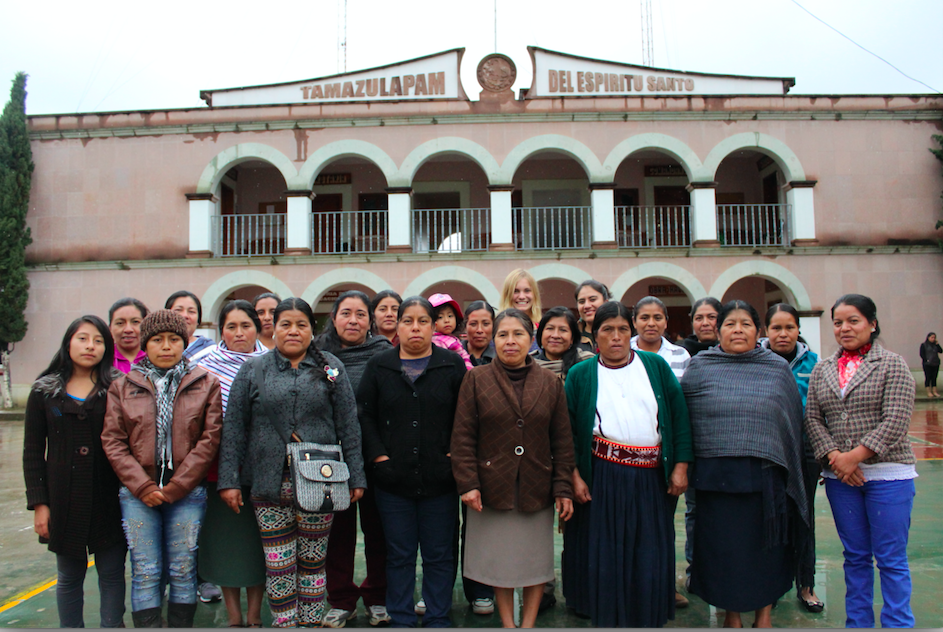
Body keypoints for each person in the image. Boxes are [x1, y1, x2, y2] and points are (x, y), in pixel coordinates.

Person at [219, 297, 367, 628]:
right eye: (285, 324)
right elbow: (234, 427)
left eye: (301, 324)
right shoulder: (254, 369)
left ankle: (311, 624)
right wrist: (229, 480)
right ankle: (285, 624)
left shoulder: (330, 367)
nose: (293, 331)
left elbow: (348, 425)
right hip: (268, 485)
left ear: (311, 330)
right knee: (279, 565)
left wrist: (356, 475)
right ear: (273, 327)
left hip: (320, 481)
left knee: (313, 563)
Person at [562, 301, 692, 627]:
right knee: (605, 549)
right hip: (602, 474)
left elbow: (678, 416)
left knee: (648, 547)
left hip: (651, 477)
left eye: (622, 329)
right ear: (594, 336)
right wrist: (574, 476)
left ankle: (647, 611)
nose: (616, 337)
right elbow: (565, 432)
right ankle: (608, 613)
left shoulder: (655, 367)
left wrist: (680, 466)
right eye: (608, 330)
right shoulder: (580, 375)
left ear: (631, 332)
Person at [681, 300, 810, 628]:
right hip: (715, 482)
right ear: (718, 330)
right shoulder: (700, 367)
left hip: (766, 481)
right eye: (730, 324)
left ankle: (763, 616)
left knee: (766, 550)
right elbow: (685, 422)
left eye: (746, 324)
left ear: (758, 331)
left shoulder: (776, 369)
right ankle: (732, 617)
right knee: (723, 553)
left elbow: (792, 424)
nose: (737, 330)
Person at [451, 308, 575, 628]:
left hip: (536, 484)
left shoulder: (549, 383)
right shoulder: (476, 379)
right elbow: (463, 436)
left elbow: (562, 440)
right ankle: (508, 624)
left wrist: (563, 488)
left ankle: (529, 623)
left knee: (535, 562)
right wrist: (468, 483)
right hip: (492, 486)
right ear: (494, 340)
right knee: (500, 564)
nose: (510, 341)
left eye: (517, 334)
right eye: (503, 335)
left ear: (530, 340)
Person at [101, 309, 223, 628]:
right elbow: (113, 440)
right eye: (157, 340)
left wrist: (178, 486)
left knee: (183, 568)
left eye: (173, 339)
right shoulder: (124, 386)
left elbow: (209, 439)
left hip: (186, 492)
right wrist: (142, 486)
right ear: (146, 345)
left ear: (184, 342)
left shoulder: (204, 382)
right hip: (137, 493)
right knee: (146, 569)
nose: (166, 346)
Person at [805, 294, 917, 628]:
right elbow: (812, 418)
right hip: (842, 480)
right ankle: (858, 623)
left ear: (872, 324)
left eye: (853, 320)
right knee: (855, 557)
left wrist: (854, 458)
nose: (844, 328)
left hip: (888, 476)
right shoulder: (823, 368)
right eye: (838, 322)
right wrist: (837, 459)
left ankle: (898, 623)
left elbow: (896, 419)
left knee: (891, 559)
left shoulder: (892, 364)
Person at [357, 296, 467, 628]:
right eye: (408, 320)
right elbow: (365, 416)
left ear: (434, 327)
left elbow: (466, 416)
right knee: (400, 555)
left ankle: (437, 616)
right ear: (396, 326)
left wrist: (454, 454)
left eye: (423, 321)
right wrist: (379, 456)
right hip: (392, 481)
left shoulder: (451, 364)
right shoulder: (380, 366)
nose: (415, 327)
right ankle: (401, 617)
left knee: (439, 556)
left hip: (440, 479)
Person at [23, 316, 127, 628]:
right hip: (63, 499)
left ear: (106, 348)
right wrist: (40, 505)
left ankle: (112, 625)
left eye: (98, 340)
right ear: (68, 342)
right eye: (82, 338)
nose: (90, 346)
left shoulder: (117, 388)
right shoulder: (44, 391)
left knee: (111, 573)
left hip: (109, 497)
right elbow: (32, 452)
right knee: (69, 576)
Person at [313, 291, 393, 628]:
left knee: (379, 532)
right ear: (334, 318)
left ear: (370, 320)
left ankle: (377, 596)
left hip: (376, 457)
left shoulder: (386, 354)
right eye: (346, 313)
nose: (354, 320)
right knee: (338, 535)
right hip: (331, 459)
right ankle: (341, 599)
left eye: (361, 314)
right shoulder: (318, 355)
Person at [196, 301, 268, 628]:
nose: (239, 333)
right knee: (226, 544)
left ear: (257, 327)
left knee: (259, 545)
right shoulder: (202, 367)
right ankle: (234, 616)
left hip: (263, 471)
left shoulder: (273, 363)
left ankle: (254, 615)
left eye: (246, 326)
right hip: (217, 472)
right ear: (220, 330)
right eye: (231, 327)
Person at [759, 302, 823, 613]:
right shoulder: (755, 360)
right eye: (776, 328)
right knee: (770, 519)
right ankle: (770, 586)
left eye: (789, 327)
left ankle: (806, 584)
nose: (783, 334)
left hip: (805, 452)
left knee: (803, 518)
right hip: (767, 452)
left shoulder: (815, 364)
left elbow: (822, 410)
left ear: (798, 330)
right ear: (766, 331)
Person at [677, 295, 722, 592]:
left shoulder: (733, 351)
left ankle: (722, 568)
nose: (705, 323)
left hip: (723, 447)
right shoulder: (685, 355)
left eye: (711, 317)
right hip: (695, 445)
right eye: (699, 318)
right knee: (694, 510)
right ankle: (695, 569)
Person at [630, 296, 691, 381]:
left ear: (666, 322)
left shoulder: (680, 355)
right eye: (644, 318)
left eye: (657, 318)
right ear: (634, 322)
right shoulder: (624, 351)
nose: (651, 323)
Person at [535, 306, 594, 380]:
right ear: (541, 334)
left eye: (563, 330)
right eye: (550, 328)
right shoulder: (528, 365)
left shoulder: (588, 363)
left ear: (572, 338)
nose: (555, 335)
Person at [499, 268, 542, 353]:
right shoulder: (497, 330)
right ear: (507, 295)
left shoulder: (543, 331)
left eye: (527, 291)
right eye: (516, 291)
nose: (522, 296)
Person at [429, 292, 474, 370]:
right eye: (440, 317)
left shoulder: (452, 339)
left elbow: (465, 357)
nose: (447, 320)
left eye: (450, 316)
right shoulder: (436, 342)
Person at [108, 297, 148, 373]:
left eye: (135, 322)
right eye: (120, 323)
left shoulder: (155, 358)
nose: (128, 330)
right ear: (110, 328)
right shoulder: (103, 360)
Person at [574, 280, 610, 352]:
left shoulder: (619, 333)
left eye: (592, 300)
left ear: (605, 303)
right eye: (581, 302)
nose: (586, 306)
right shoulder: (572, 337)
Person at [463, 300, 496, 367]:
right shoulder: (453, 355)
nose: (479, 330)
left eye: (485, 324)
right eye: (473, 324)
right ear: (465, 326)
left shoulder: (500, 358)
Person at [919, 332, 941, 398]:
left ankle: (934, 391)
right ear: (928, 337)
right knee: (928, 377)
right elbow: (922, 354)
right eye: (932, 337)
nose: (933, 339)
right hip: (927, 364)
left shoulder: (935, 345)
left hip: (935, 363)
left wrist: (937, 344)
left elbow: (940, 351)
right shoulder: (924, 345)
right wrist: (926, 360)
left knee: (934, 378)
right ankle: (929, 392)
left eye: (934, 337)